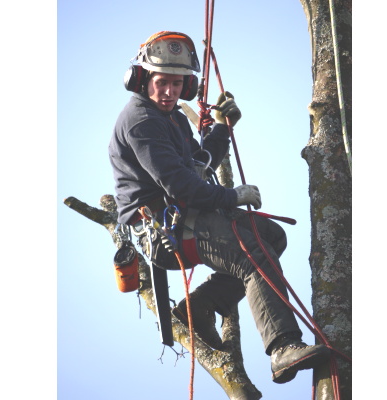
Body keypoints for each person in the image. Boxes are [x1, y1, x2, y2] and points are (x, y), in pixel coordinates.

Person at [108, 31, 329, 384]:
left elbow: (199, 165)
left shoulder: (174, 119)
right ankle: (283, 348)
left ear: (187, 86)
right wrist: (233, 196)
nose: (169, 92)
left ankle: (199, 307)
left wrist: (224, 128)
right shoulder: (141, 121)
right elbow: (182, 186)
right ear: (142, 79)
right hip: (167, 232)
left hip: (188, 217)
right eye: (161, 82)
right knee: (250, 253)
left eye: (177, 84)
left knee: (273, 236)